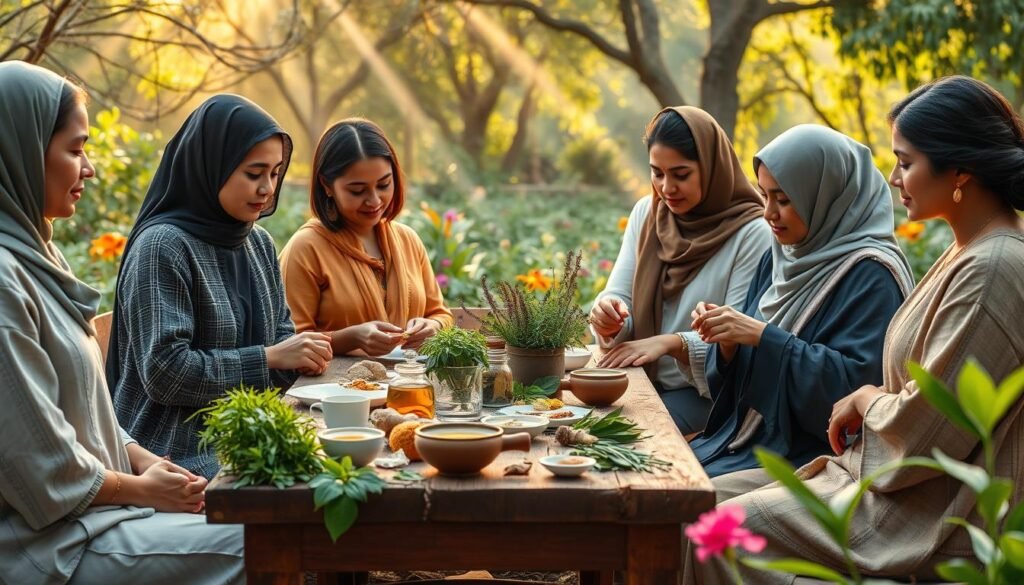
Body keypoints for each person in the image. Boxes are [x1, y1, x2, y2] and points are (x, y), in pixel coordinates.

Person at [685, 76, 1024, 584]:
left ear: (960, 169)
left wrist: (865, 398)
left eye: (906, 163)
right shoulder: (967, 251)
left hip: (922, 510)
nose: (892, 177)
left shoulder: (992, 268)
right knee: (685, 506)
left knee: (717, 535)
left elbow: (926, 434)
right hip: (874, 476)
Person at [0, 61, 243, 585]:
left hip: (100, 510)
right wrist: (141, 490)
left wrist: (142, 459)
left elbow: (83, 413)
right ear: (18, 148)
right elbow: (37, 465)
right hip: (48, 542)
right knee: (263, 544)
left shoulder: (34, 256)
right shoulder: (3, 281)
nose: (88, 168)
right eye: (74, 149)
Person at [108, 95, 332, 480]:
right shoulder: (163, 247)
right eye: (253, 173)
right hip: (173, 453)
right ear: (211, 166)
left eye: (275, 173)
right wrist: (269, 359)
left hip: (250, 432)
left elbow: (282, 342)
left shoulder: (257, 243)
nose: (267, 188)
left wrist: (301, 356)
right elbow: (165, 372)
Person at [688, 124, 914, 478]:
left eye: (784, 199)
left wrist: (763, 336)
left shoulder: (872, 275)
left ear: (825, 195)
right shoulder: (781, 256)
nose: (768, 213)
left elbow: (852, 396)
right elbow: (739, 390)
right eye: (764, 196)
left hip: (812, 458)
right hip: (746, 442)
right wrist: (729, 343)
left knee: (681, 506)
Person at [593, 106, 771, 434]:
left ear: (712, 167)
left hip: (706, 396)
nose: (666, 188)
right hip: (638, 378)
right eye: (657, 173)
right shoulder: (648, 213)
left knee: (615, 432)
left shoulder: (752, 232)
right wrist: (610, 316)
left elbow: (737, 341)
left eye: (681, 174)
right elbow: (619, 294)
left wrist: (673, 343)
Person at [279, 118, 453, 356]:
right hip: (334, 390)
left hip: (408, 384)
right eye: (357, 190)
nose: (374, 201)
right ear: (326, 185)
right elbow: (289, 342)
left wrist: (433, 326)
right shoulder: (306, 249)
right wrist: (350, 338)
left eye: (384, 185)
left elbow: (440, 313)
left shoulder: (407, 240)